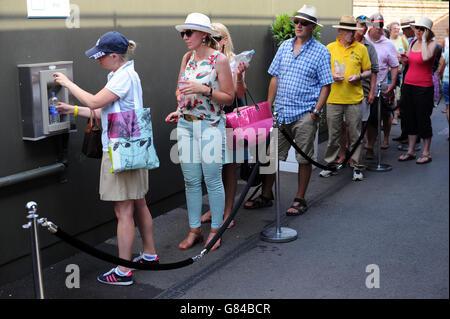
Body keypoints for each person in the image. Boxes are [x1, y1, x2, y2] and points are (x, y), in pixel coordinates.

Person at [54, 31, 158, 286]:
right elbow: (104, 112)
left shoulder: (122, 77)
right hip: (135, 146)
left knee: (123, 210)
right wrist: (72, 110)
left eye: (100, 57)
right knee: (139, 202)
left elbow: (94, 101)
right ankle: (149, 254)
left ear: (114, 56)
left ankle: (123, 271)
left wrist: (68, 84)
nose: (97, 61)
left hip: (120, 150)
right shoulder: (124, 75)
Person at [244, 5, 333, 215]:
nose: (298, 26)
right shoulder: (284, 46)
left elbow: (326, 85)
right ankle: (266, 195)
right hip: (281, 113)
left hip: (305, 114)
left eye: (303, 23)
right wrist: (268, 106)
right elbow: (275, 76)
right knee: (271, 156)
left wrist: (315, 112)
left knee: (304, 158)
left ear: (313, 27)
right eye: (297, 22)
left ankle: (300, 199)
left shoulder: (321, 51)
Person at [165, 13, 234, 251]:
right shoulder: (187, 57)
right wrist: (179, 106)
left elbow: (228, 97)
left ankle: (215, 230)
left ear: (204, 35)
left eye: (189, 32)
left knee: (213, 179)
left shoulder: (219, 60)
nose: (185, 37)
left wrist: (203, 89)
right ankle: (194, 229)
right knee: (191, 180)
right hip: (185, 124)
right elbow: (180, 89)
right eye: (182, 33)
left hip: (211, 125)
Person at [199, 22, 248, 229]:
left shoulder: (233, 61)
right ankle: (215, 207)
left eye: (217, 37)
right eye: (208, 37)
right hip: (208, 117)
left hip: (229, 117)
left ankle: (227, 211)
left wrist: (238, 77)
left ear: (225, 40)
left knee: (228, 166)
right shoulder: (202, 59)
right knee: (212, 167)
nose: (212, 41)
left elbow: (239, 94)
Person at [320, 15, 371, 181]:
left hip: (354, 99)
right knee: (333, 134)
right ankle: (331, 164)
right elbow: (322, 72)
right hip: (334, 98)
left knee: (355, 134)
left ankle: (356, 166)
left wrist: (359, 76)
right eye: (348, 31)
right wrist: (331, 75)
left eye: (353, 31)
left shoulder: (361, 49)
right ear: (340, 31)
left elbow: (369, 71)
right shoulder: (329, 48)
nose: (351, 34)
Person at [398, 17, 438, 164]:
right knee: (409, 117)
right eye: (417, 28)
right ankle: (411, 150)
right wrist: (403, 59)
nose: (419, 31)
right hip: (408, 84)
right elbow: (408, 60)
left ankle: (426, 152)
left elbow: (426, 57)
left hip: (424, 87)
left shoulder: (432, 44)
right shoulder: (413, 42)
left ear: (428, 31)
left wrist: (425, 40)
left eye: (422, 29)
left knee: (423, 118)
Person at [364, 14, 399, 152]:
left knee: (385, 115)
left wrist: (392, 84)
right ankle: (370, 144)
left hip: (383, 86)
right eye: (376, 26)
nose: (379, 29)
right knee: (370, 119)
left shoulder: (388, 44)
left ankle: (385, 138)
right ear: (371, 26)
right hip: (365, 87)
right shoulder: (363, 41)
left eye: (381, 25)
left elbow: (395, 65)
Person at [355, 15, 379, 160]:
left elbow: (374, 71)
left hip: (364, 90)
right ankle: (348, 152)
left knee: (367, 121)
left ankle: (369, 147)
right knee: (348, 124)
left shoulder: (369, 47)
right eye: (361, 24)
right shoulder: (348, 43)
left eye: (366, 25)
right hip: (348, 90)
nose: (364, 28)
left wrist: (371, 92)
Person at [393, 17, 416, 143]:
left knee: (411, 109)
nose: (404, 32)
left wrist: (405, 60)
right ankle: (405, 133)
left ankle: (412, 136)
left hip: (413, 79)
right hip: (406, 78)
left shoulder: (417, 41)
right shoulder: (410, 40)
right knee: (404, 107)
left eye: (406, 29)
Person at [388, 21, 408, 125]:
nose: (397, 30)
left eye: (398, 28)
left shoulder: (403, 40)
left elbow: (407, 54)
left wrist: (402, 65)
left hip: (401, 72)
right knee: (393, 94)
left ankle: (396, 114)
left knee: (398, 94)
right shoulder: (388, 41)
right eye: (394, 28)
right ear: (390, 30)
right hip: (389, 72)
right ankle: (393, 116)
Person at [438, 39, 449, 140]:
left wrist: (439, 76)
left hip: (447, 79)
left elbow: (441, 67)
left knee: (448, 107)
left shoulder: (448, 51)